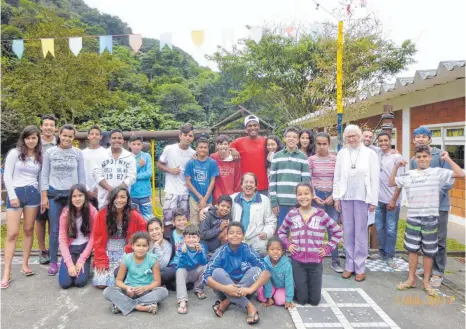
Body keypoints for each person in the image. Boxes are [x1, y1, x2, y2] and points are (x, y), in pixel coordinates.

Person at [390, 145, 464, 296]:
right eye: (419, 157)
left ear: (430, 158)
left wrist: (448, 159)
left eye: (425, 156)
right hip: (413, 217)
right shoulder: (409, 175)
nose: (422, 159)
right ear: (415, 159)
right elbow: (391, 183)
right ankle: (411, 279)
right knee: (412, 249)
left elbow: (461, 174)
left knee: (429, 252)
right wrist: (396, 166)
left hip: (430, 218)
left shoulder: (437, 173)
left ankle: (426, 283)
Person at [278, 184, 342, 305]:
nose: (303, 197)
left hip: (316, 262)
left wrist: (327, 248)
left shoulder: (321, 214)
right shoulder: (292, 214)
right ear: (296, 197)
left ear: (313, 195)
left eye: (306, 193)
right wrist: (288, 244)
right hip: (297, 262)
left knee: (314, 301)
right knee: (302, 300)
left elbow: (337, 231)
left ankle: (306, 288)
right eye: (300, 194)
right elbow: (281, 232)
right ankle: (294, 288)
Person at [333, 124, 379, 282]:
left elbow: (374, 178)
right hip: (346, 197)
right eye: (348, 136)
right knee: (348, 232)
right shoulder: (342, 153)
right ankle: (349, 265)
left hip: (363, 198)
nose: (351, 139)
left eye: (354, 135)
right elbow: (337, 177)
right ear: (345, 138)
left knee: (360, 233)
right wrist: (336, 197)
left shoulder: (370, 154)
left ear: (360, 136)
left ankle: (360, 267)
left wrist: (373, 200)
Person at [409, 126, 454, 288]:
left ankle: (438, 271)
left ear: (429, 139)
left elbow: (449, 181)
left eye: (424, 136)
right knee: (425, 238)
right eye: (417, 136)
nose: (420, 139)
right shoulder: (414, 158)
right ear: (414, 140)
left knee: (439, 239)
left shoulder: (440, 155)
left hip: (439, 205)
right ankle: (427, 268)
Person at [204, 222, 271, 325]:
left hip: (246, 291)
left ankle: (226, 302)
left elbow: (266, 272)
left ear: (243, 235)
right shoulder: (220, 252)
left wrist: (250, 289)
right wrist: (225, 288)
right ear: (227, 236)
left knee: (257, 269)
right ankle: (249, 306)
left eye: (238, 233)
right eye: (231, 233)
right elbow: (206, 277)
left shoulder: (248, 250)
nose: (235, 235)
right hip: (224, 291)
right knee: (216, 272)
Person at [41, 124, 86, 276]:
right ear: (59, 134)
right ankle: (54, 261)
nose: (66, 138)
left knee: (74, 227)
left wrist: (82, 196)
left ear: (74, 137)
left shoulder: (77, 153)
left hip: (73, 196)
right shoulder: (50, 152)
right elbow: (44, 174)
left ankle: (74, 259)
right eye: (64, 135)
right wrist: (45, 195)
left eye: (70, 136)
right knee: (55, 230)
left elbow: (82, 176)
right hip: (54, 195)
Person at [2, 126, 42, 289]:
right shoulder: (15, 153)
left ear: (38, 139)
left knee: (28, 230)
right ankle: (6, 272)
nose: (31, 141)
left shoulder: (40, 156)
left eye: (34, 138)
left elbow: (40, 178)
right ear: (23, 139)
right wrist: (12, 196)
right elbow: (7, 175)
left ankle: (25, 264)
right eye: (28, 138)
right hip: (16, 193)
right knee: (12, 233)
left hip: (33, 194)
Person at [92, 187, 147, 288]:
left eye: (123, 197)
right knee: (100, 284)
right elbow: (97, 238)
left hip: (126, 251)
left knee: (118, 281)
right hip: (107, 249)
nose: (119, 200)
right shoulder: (102, 213)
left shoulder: (134, 214)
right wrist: (101, 259)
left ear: (127, 199)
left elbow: (143, 232)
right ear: (112, 198)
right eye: (116, 197)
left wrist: (132, 250)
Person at [103, 232, 169, 315]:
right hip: (129, 292)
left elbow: (157, 282)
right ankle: (141, 307)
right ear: (133, 246)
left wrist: (145, 288)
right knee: (108, 291)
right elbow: (118, 281)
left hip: (146, 292)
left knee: (163, 292)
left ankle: (122, 305)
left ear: (148, 247)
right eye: (138, 245)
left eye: (144, 246)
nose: (141, 248)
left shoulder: (153, 259)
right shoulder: (126, 258)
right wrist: (127, 287)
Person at [308, 132, 343, 273]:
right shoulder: (311, 160)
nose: (322, 147)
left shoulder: (335, 160)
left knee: (333, 228)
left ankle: (335, 260)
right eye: (319, 144)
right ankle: (314, 258)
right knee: (315, 229)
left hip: (331, 197)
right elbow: (308, 179)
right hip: (317, 197)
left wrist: (334, 196)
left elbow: (338, 178)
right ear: (315, 144)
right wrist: (314, 196)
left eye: (324, 144)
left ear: (329, 144)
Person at [157, 123, 196, 236]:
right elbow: (159, 164)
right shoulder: (170, 149)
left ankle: (181, 243)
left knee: (183, 221)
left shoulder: (193, 153)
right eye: (185, 135)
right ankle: (168, 243)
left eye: (190, 136)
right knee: (168, 219)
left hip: (185, 191)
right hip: (171, 190)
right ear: (180, 136)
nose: (188, 138)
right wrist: (170, 170)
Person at [374, 132, 405, 268]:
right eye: (380, 141)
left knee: (391, 229)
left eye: (385, 140)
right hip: (379, 199)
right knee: (380, 228)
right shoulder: (378, 154)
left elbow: (400, 182)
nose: (383, 143)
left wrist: (393, 200)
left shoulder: (397, 158)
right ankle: (382, 252)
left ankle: (390, 256)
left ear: (390, 141)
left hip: (392, 200)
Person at [58, 184, 98, 289]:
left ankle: (83, 265)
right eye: (74, 196)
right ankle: (69, 264)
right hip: (71, 248)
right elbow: (62, 239)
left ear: (85, 196)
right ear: (70, 198)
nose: (77, 199)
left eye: (80, 195)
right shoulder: (65, 213)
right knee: (65, 283)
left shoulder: (92, 211)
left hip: (85, 247)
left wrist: (81, 261)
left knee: (80, 282)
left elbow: (94, 237)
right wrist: (70, 264)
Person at [269, 127, 310, 227]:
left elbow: (306, 181)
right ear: (284, 139)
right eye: (289, 136)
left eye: (294, 137)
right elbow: (272, 181)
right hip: (281, 201)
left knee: (297, 228)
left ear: (298, 140)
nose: (291, 139)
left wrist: (303, 200)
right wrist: (274, 202)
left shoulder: (303, 157)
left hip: (297, 201)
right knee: (282, 228)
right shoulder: (277, 157)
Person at [231, 173, 277, 256]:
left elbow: (271, 221)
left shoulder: (264, 200)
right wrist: (204, 210)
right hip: (237, 236)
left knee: (264, 248)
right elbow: (219, 208)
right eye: (246, 182)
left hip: (256, 239)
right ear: (241, 185)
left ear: (256, 186)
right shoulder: (233, 198)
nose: (248, 184)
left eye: (251, 182)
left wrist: (266, 232)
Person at [93, 129, 136, 210]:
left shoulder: (130, 156)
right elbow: (97, 174)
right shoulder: (101, 155)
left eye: (119, 138)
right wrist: (111, 190)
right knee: (105, 220)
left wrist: (118, 191)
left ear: (123, 141)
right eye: (114, 138)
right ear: (109, 140)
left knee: (123, 220)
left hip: (123, 198)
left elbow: (132, 176)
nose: (117, 140)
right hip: (105, 198)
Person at [37, 114, 58, 265]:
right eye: (46, 125)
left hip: (55, 186)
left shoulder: (60, 142)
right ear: (41, 127)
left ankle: (52, 249)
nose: (48, 127)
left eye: (51, 125)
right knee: (40, 220)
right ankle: (42, 249)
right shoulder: (35, 142)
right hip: (37, 185)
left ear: (55, 128)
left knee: (53, 220)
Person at [185, 137, 219, 225]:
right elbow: (188, 182)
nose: (202, 149)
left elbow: (212, 181)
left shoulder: (212, 163)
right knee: (194, 223)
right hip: (194, 197)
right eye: (200, 147)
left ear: (208, 149)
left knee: (207, 222)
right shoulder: (190, 163)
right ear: (196, 148)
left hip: (208, 197)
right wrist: (200, 197)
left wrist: (205, 198)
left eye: (205, 147)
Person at [230, 115, 269, 194]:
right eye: (249, 126)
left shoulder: (266, 141)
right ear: (245, 129)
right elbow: (223, 149)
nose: (252, 128)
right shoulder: (238, 142)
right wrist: (232, 149)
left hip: (263, 185)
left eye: (255, 125)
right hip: (245, 185)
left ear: (258, 127)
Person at [176, 225, 208, 314]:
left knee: (205, 267)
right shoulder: (181, 247)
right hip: (185, 273)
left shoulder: (201, 247)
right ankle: (182, 300)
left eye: (194, 237)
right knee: (179, 271)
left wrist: (200, 252)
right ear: (184, 238)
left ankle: (198, 289)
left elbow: (203, 262)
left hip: (195, 273)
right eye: (188, 237)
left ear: (198, 239)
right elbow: (180, 265)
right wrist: (183, 253)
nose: (191, 239)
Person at [256, 237, 295, 309]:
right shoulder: (265, 261)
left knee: (280, 301)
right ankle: (271, 296)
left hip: (282, 287)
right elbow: (266, 280)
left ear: (283, 251)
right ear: (267, 251)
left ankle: (276, 295)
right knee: (262, 298)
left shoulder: (287, 264)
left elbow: (289, 283)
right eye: (272, 249)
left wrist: (289, 299)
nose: (275, 252)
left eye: (278, 249)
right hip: (271, 285)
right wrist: (268, 297)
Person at [210, 135, 241, 205]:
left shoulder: (235, 158)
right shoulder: (213, 157)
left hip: (231, 195)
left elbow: (238, 178)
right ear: (216, 145)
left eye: (225, 144)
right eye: (220, 144)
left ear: (229, 145)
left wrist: (236, 195)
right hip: (217, 195)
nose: (223, 146)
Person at [82, 125, 107, 209]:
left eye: (97, 134)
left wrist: (98, 188)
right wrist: (87, 190)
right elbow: (81, 172)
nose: (94, 136)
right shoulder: (82, 153)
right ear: (88, 136)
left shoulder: (106, 153)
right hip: (86, 191)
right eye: (92, 134)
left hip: (102, 191)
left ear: (101, 137)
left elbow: (106, 172)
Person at [129, 135, 153, 220]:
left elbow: (149, 173)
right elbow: (127, 174)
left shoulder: (146, 156)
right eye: (134, 144)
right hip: (131, 193)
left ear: (142, 145)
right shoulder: (127, 157)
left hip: (145, 193)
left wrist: (133, 177)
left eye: (138, 144)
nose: (136, 146)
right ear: (129, 145)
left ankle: (148, 233)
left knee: (148, 217)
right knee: (133, 217)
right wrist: (139, 165)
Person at [165, 208, 189, 289]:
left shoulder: (191, 234)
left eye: (184, 219)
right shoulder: (169, 235)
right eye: (179, 220)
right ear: (173, 222)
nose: (182, 222)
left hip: (187, 263)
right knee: (167, 272)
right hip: (174, 264)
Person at [147, 218, 173, 286]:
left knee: (169, 272)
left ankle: (147, 283)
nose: (154, 232)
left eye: (157, 229)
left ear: (162, 229)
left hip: (157, 272)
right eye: (151, 230)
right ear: (148, 233)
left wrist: (157, 246)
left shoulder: (168, 246)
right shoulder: (146, 243)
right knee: (118, 270)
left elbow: (161, 265)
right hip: (145, 271)